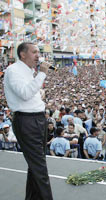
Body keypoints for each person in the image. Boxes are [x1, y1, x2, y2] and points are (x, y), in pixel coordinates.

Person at [3, 42, 53, 199]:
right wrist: (42, 74)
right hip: (27, 121)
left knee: (35, 165)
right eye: (34, 52)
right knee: (39, 167)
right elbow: (24, 94)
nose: (38, 55)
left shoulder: (29, 71)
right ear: (23, 54)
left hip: (38, 119)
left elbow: (29, 94)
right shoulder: (13, 70)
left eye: (39, 52)